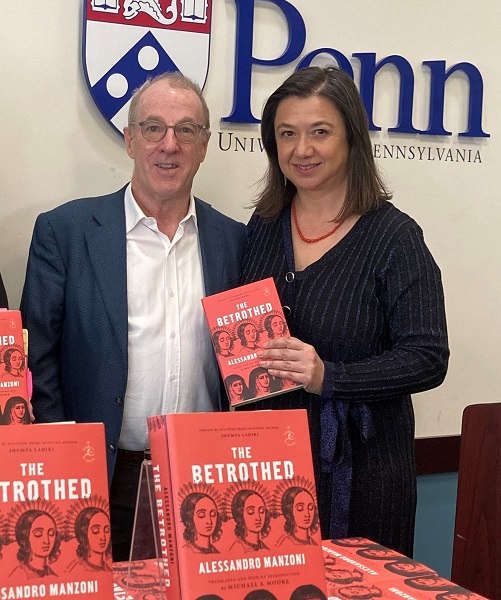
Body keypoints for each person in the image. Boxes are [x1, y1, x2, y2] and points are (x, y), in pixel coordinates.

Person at [20, 71, 247, 561]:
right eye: (153, 128)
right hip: (101, 478)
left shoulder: (236, 241)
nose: (169, 144)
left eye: (186, 130)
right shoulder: (65, 232)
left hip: (205, 480)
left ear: (204, 146)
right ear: (129, 140)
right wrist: (66, 462)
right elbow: (37, 360)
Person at [239, 65, 449, 556]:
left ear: (352, 138)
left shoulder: (394, 237)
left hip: (364, 476)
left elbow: (428, 357)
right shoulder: (263, 226)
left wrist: (330, 377)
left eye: (320, 132)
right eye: (287, 134)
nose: (301, 149)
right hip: (270, 472)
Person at [10, 509, 62, 579]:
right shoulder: (18, 574)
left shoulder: (53, 575)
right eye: (38, 534)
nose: (47, 541)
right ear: (26, 537)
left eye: (51, 533)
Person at [66, 507, 112, 573]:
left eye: (107, 530)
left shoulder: (108, 570)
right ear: (84, 533)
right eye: (96, 531)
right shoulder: (78, 569)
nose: (103, 537)